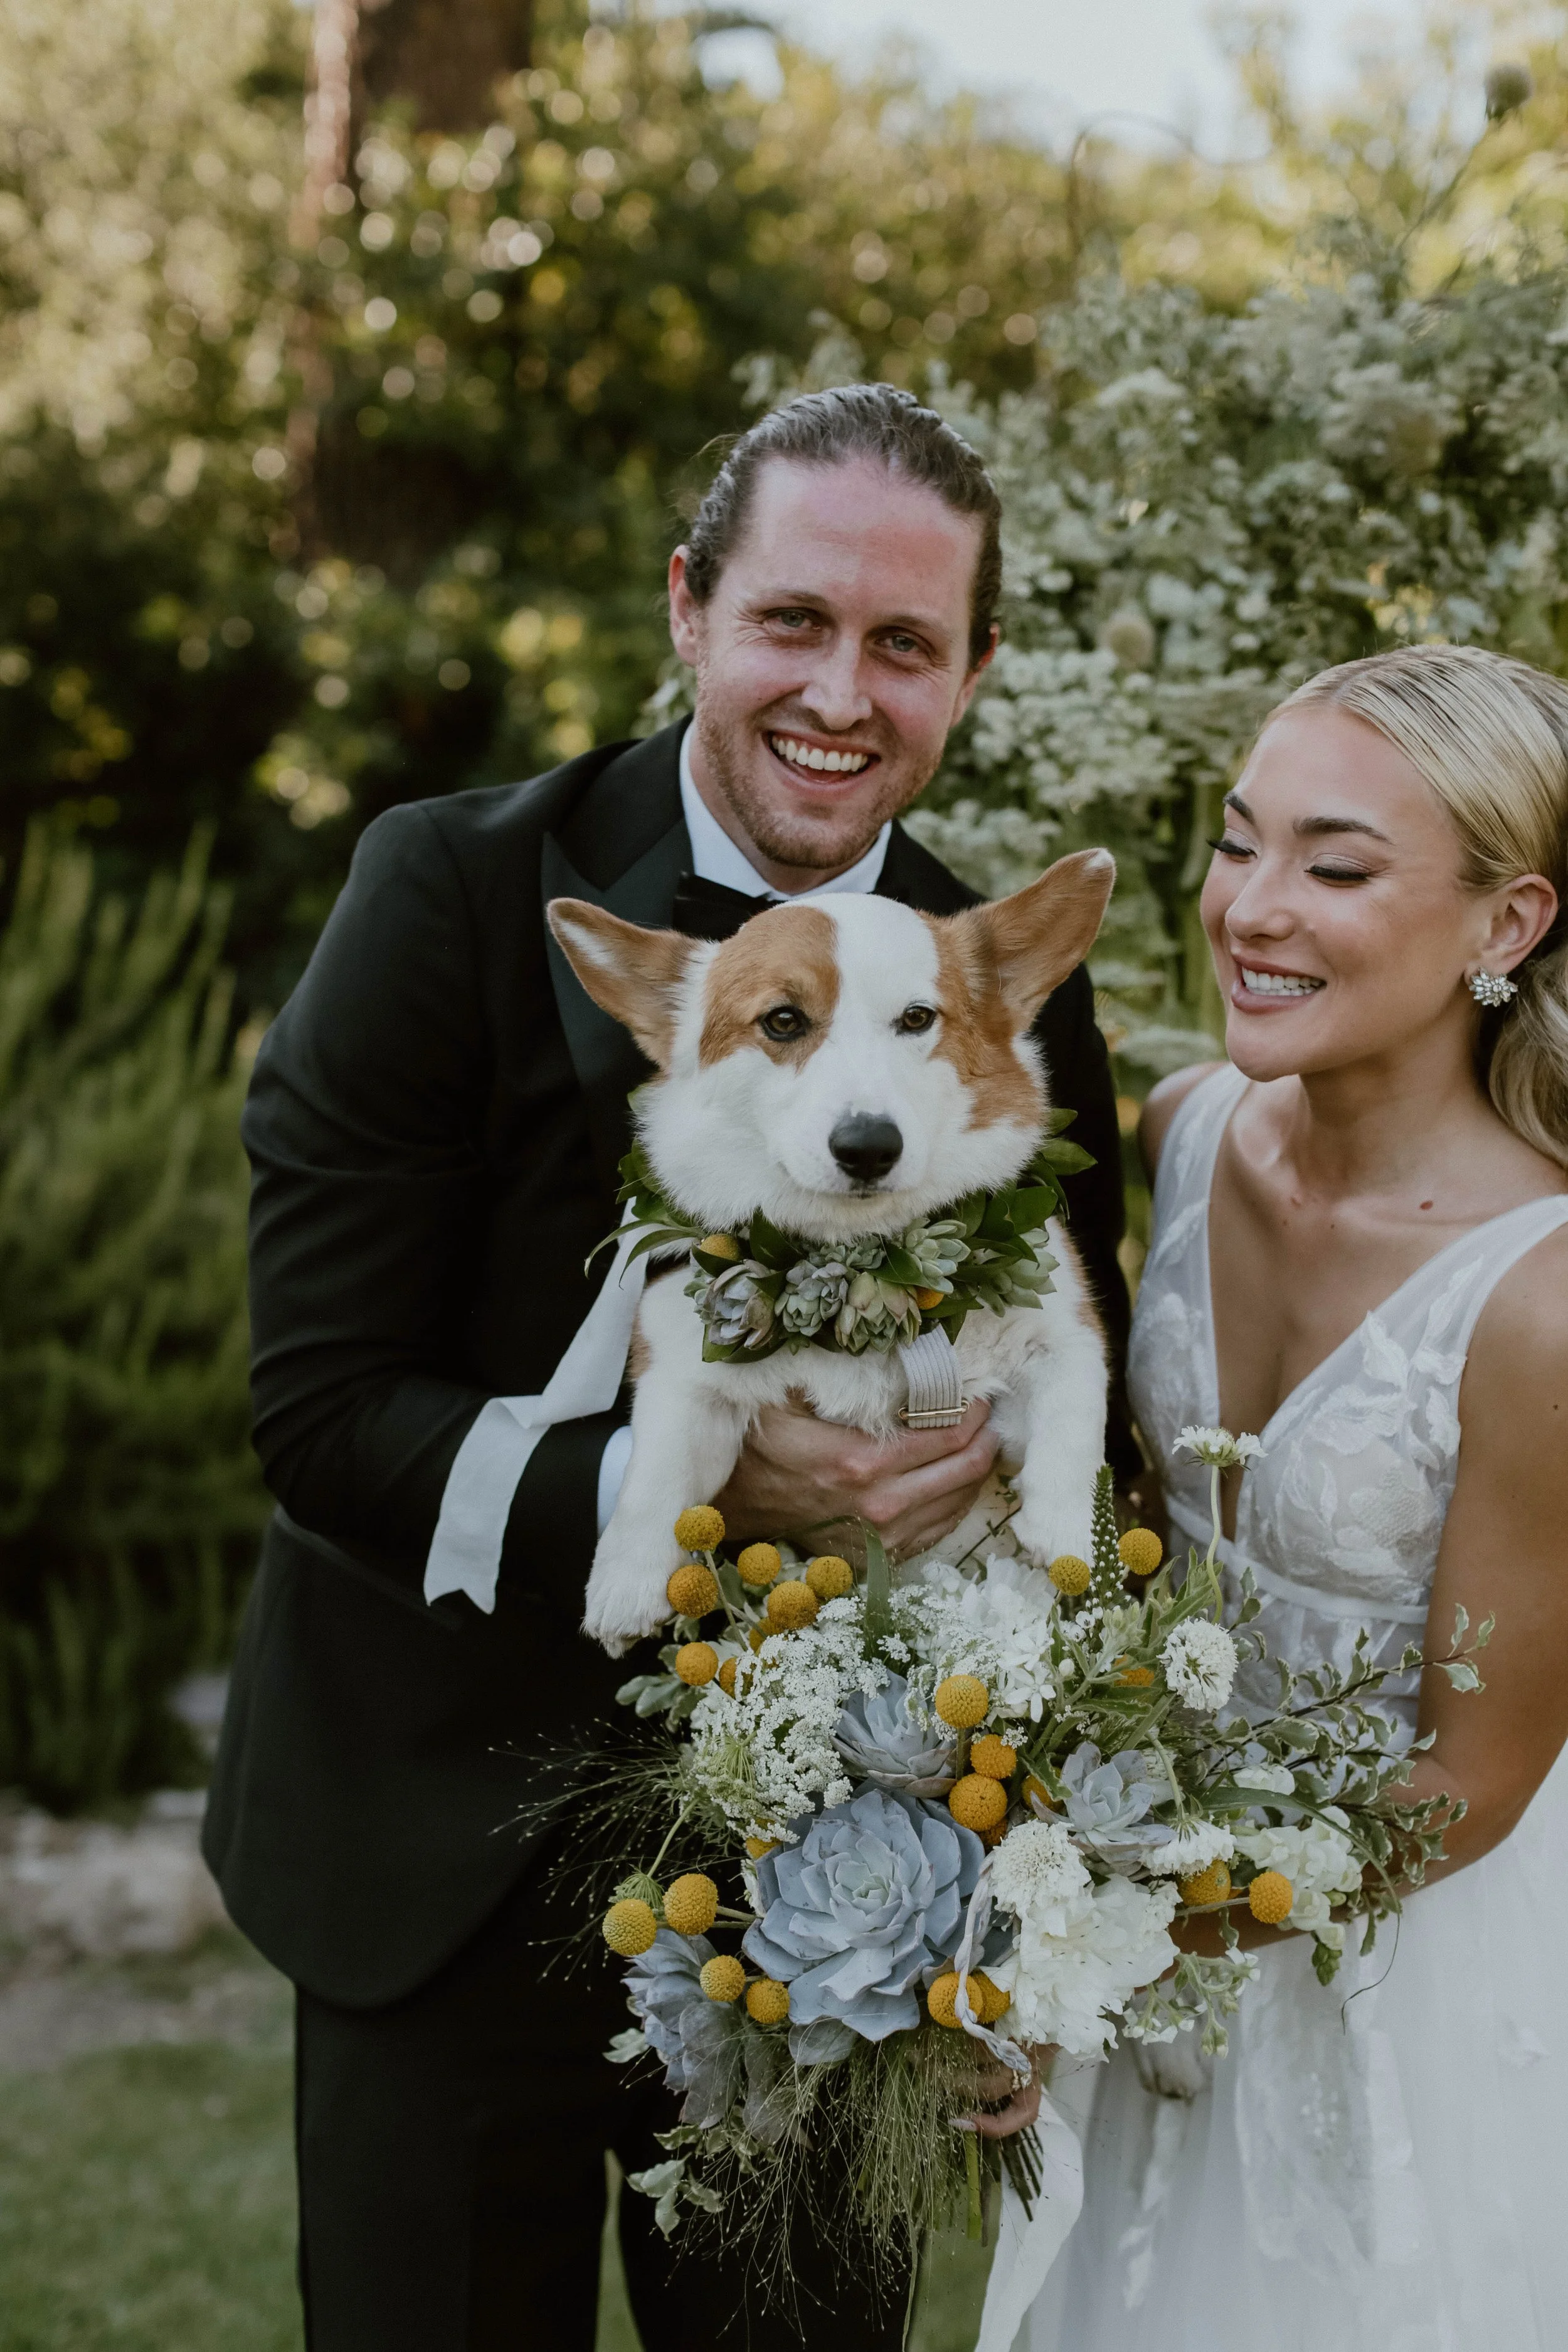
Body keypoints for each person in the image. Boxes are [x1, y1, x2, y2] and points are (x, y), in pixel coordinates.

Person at [201, 382, 1134, 2352]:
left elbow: (1078, 1408)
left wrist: (1021, 1895)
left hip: (838, 1895)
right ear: (692, 608)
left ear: (969, 673)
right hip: (434, 1847)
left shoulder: (994, 991)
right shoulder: (442, 893)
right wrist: (703, 1481)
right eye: (794, 619)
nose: (840, 690)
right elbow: (319, 1410)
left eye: (903, 643)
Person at [1024, 643, 1568, 2350]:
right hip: (1151, 1931)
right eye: (1236, 842)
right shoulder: (1186, 1126)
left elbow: (1464, 1788)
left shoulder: (1537, 1304)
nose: (1249, 906)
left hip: (1402, 1976)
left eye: (1333, 866)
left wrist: (1094, 1928)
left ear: (1503, 926)